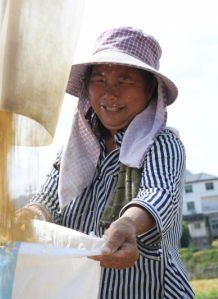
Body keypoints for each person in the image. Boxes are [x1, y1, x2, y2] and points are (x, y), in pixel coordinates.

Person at [18, 27, 194, 298]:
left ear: (150, 90)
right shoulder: (75, 150)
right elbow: (50, 199)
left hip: (148, 289)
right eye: (99, 79)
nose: (109, 94)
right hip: (82, 288)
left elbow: (159, 194)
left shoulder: (161, 143)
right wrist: (31, 215)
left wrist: (128, 224)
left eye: (124, 81)